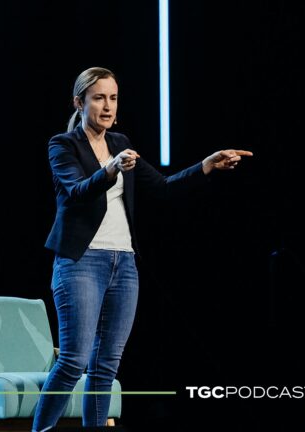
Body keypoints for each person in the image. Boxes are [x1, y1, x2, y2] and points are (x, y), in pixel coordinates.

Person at [32, 67, 252, 431]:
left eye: (113, 98)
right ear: (79, 103)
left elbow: (163, 187)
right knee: (73, 361)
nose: (107, 106)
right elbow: (76, 191)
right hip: (81, 262)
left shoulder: (120, 142)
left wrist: (206, 166)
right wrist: (110, 170)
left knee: (106, 365)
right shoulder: (63, 145)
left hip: (124, 264)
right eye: (99, 98)